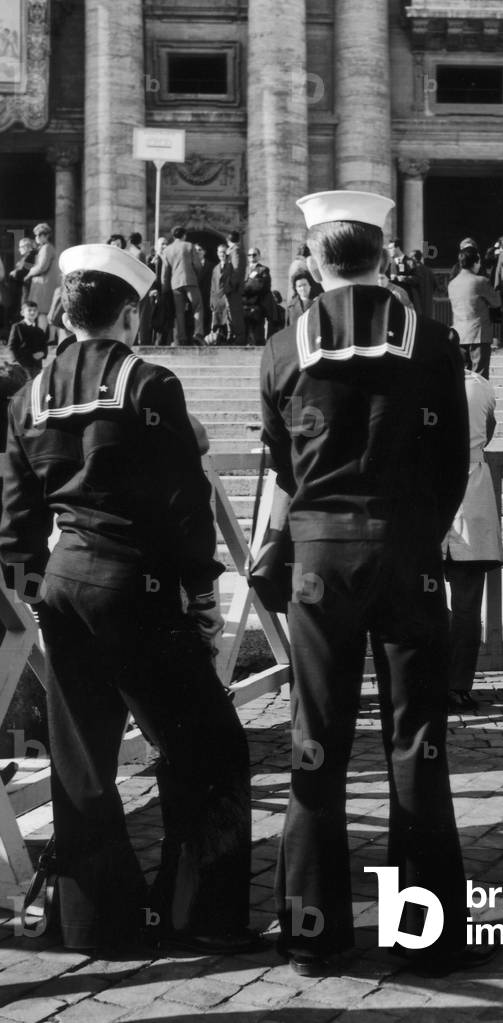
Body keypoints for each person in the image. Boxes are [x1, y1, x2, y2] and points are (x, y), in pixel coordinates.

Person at [0, 244, 254, 953]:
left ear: (65, 312)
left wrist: (28, 596)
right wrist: (202, 588)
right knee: (209, 747)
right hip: (134, 585)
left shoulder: (31, 394)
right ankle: (200, 914)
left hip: (63, 585)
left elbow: (16, 524)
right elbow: (184, 498)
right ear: (130, 311)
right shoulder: (148, 382)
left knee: (83, 762)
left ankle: (95, 920)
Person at [262, 189, 485, 978]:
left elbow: (282, 465)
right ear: (383, 257)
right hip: (408, 549)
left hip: (321, 557)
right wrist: (419, 531)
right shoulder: (431, 342)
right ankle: (424, 935)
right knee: (417, 741)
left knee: (316, 742)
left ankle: (314, 933)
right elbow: (455, 458)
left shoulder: (283, 346)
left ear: (315, 259)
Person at [443, 350, 503, 711]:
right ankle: (458, 685)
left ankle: (427, 681)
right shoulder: (482, 386)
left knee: (424, 605)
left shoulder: (422, 382)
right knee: (467, 608)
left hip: (431, 500)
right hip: (473, 496)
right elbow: (491, 431)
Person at [447, 247, 501, 378]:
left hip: (459, 334)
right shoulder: (480, 281)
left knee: (463, 376)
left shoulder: (452, 284)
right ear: (476, 262)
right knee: (480, 376)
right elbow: (496, 302)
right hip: (478, 334)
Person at [162, 226, 204, 346]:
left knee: (179, 311)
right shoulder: (189, 246)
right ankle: (198, 333)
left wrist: (165, 289)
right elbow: (197, 265)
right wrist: (197, 276)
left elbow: (165, 272)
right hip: (190, 280)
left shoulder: (167, 250)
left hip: (175, 284)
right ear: (184, 235)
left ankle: (182, 338)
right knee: (197, 306)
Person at [24, 224, 61, 330]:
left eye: (37, 236)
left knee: (42, 312)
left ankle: (42, 337)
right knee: (46, 312)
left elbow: (42, 266)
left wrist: (29, 273)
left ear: (44, 236)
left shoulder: (46, 248)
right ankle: (48, 339)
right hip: (46, 284)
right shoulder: (47, 248)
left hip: (44, 285)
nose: (36, 238)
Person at [209, 242, 240, 343]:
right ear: (217, 253)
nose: (221, 254)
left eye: (223, 252)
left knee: (229, 321)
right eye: (219, 252)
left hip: (227, 297)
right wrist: (211, 300)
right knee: (218, 323)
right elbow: (213, 286)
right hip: (217, 299)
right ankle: (219, 340)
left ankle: (231, 339)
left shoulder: (231, 266)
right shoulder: (215, 268)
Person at [8, 299, 47, 376]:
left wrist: (43, 353)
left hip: (37, 365)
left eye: (34, 310)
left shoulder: (40, 330)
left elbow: (44, 346)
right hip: (23, 365)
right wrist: (16, 361)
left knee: (35, 386)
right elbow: (11, 346)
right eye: (29, 310)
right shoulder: (18, 327)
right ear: (22, 313)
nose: (32, 312)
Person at [243, 246, 273, 345]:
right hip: (243, 306)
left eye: (254, 254)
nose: (252, 256)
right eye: (249, 255)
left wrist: (245, 288)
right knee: (245, 335)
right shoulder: (244, 270)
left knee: (258, 335)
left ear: (259, 256)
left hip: (257, 306)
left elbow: (262, 286)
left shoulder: (263, 269)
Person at [410, 248, 437, 319]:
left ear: (414, 258)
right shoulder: (428, 270)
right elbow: (435, 285)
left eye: (411, 257)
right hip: (428, 303)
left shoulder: (414, 271)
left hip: (418, 303)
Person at [194, 243, 214, 335]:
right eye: (196, 250)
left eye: (200, 249)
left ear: (204, 252)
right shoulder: (190, 265)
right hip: (195, 296)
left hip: (206, 296)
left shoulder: (211, 266)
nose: (198, 252)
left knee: (207, 318)